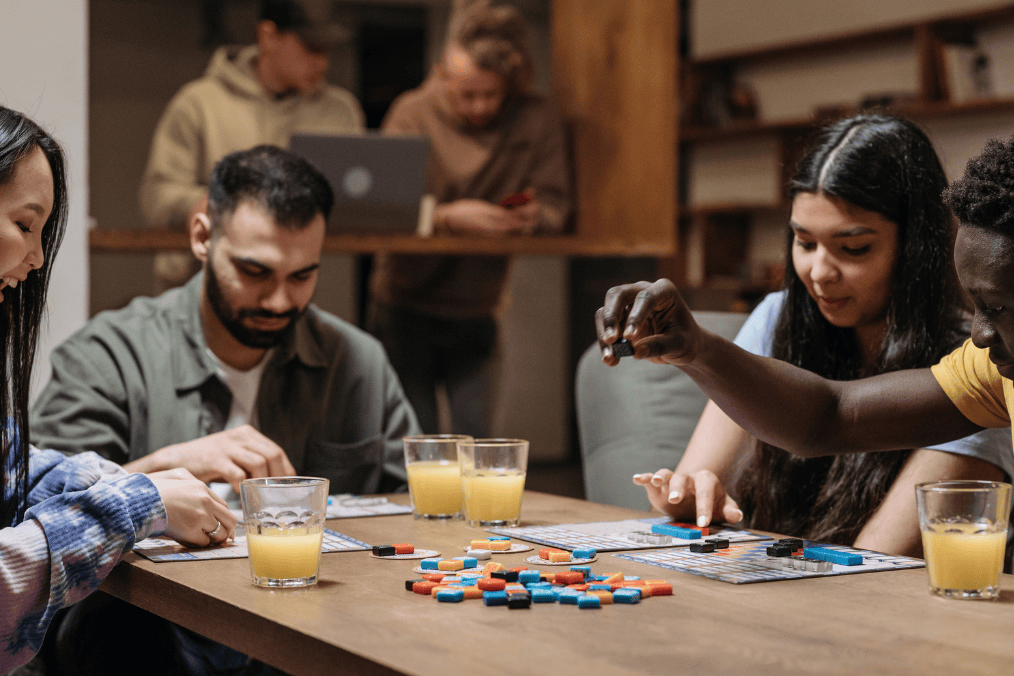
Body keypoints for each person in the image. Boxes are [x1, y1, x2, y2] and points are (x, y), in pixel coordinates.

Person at [33, 145, 418, 675]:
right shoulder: (108, 354)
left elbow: (415, 514)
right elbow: (34, 514)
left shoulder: (357, 362)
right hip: (146, 633)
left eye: (302, 276)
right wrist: (159, 475)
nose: (281, 301)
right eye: (255, 272)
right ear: (201, 237)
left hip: (307, 627)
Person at [597, 132, 1014, 552]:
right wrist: (696, 350)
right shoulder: (988, 369)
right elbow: (831, 415)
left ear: (916, 247)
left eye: (853, 247)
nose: (819, 272)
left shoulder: (985, 357)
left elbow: (876, 564)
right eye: (804, 242)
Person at [0, 106, 237, 673]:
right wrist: (138, 501)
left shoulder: (354, 354)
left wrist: (130, 482)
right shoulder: (111, 345)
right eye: (24, 225)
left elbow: (14, 463)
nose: (35, 259)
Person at [367, 0, 572, 437]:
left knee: (476, 444)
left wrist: (533, 217)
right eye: (466, 94)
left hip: (479, 305)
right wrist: (445, 218)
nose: (479, 107)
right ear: (442, 74)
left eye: (491, 95)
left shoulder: (536, 117)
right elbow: (380, 209)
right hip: (404, 301)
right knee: (412, 445)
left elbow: (558, 205)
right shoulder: (411, 112)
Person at [139, 0, 365, 289]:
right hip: (201, 291)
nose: (323, 62)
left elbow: (359, 200)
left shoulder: (341, 111)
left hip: (302, 294)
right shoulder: (198, 104)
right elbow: (155, 194)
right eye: (312, 47)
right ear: (268, 37)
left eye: (328, 50)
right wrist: (202, 204)